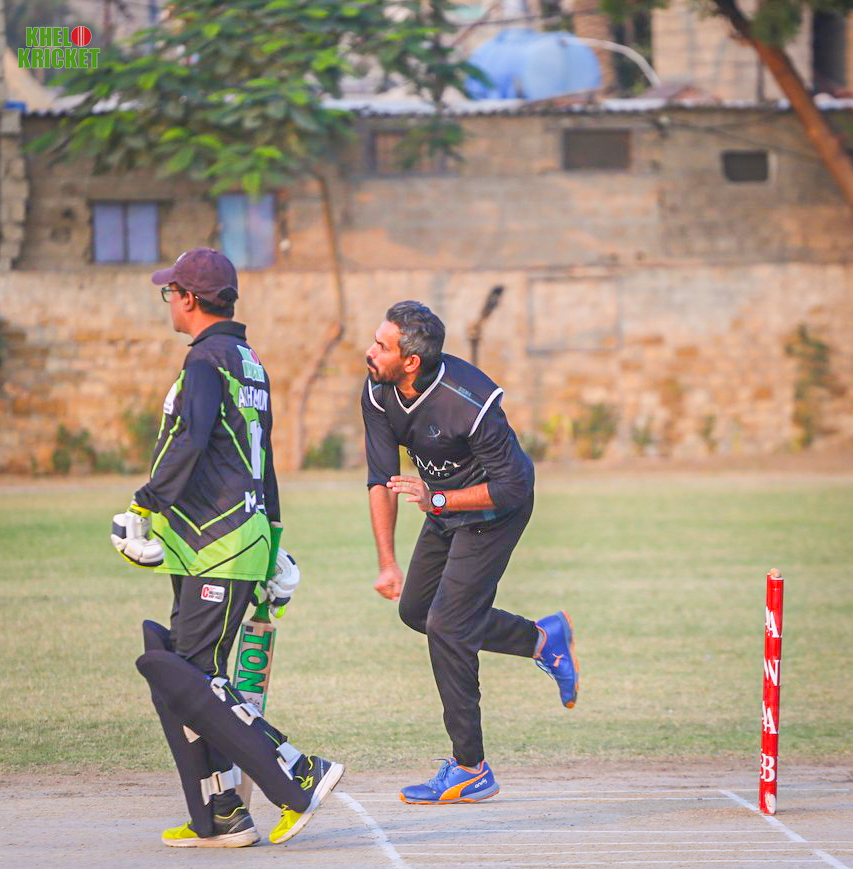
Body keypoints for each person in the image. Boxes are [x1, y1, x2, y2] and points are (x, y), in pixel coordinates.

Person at [110, 247, 343, 848]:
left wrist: (143, 506)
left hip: (220, 545)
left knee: (191, 678)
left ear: (189, 299)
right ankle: (221, 814)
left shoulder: (205, 361)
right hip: (217, 543)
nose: (168, 302)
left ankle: (299, 772)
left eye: (171, 292)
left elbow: (188, 440)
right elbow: (262, 461)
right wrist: (275, 541)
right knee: (185, 677)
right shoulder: (247, 360)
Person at [361, 300, 579, 805]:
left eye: (381, 346)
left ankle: (470, 768)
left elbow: (511, 487)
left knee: (447, 626)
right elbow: (381, 479)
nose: (370, 352)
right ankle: (541, 639)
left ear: (410, 360)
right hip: (444, 506)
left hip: (496, 511)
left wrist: (437, 499)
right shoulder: (378, 388)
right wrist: (387, 562)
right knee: (418, 611)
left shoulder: (470, 401)